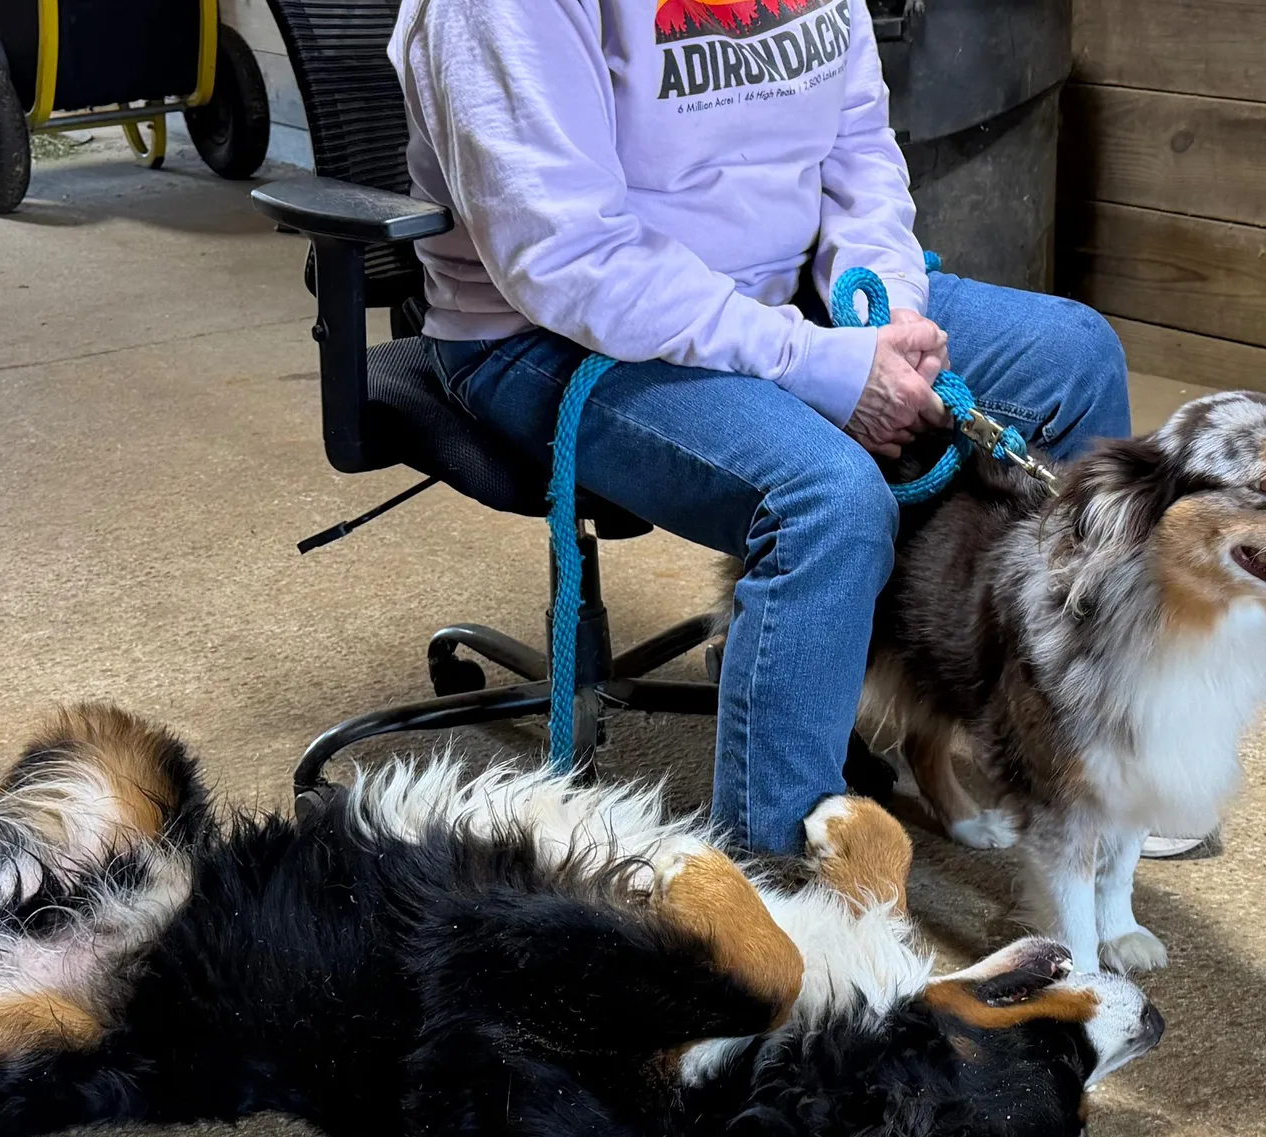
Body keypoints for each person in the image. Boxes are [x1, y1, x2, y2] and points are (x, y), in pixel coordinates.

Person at [389, 0, 1132, 854]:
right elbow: (565, 260)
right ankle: (775, 891)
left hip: (788, 295)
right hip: (552, 332)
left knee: (1072, 358)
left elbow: (858, 150)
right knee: (829, 497)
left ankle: (1073, 765)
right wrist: (819, 365)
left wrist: (881, 312)